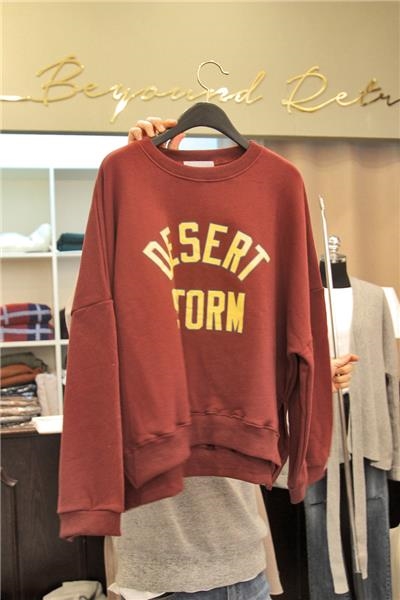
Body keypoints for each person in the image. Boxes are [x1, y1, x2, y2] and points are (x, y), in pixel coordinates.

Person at [84, 117, 357, 600]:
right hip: (156, 571)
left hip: (242, 556)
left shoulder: (276, 186)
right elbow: (93, 328)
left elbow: (295, 339)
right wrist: (137, 179)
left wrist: (302, 384)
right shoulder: (123, 190)